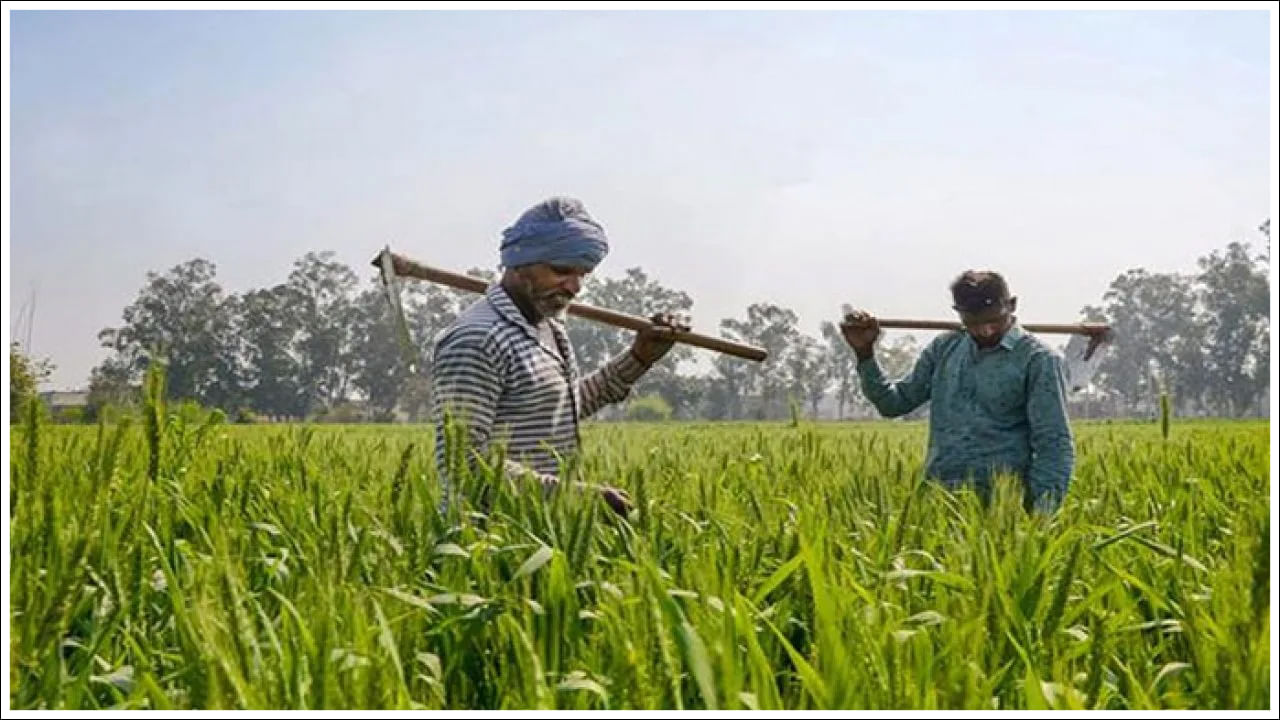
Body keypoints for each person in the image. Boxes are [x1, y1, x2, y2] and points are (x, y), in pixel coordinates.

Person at [427, 197, 687, 516]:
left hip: (542, 530)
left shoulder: (546, 325)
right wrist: (575, 496)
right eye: (562, 270)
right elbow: (463, 462)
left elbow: (562, 406)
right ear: (520, 263)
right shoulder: (477, 339)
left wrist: (639, 358)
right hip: (484, 541)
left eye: (583, 274)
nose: (575, 287)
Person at [840, 270, 1075, 512]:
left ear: (1012, 305)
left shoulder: (1038, 360)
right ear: (959, 315)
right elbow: (893, 404)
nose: (986, 331)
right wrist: (865, 353)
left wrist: (1040, 515)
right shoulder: (945, 349)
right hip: (938, 501)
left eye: (994, 321)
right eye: (973, 324)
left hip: (1002, 507)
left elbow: (1054, 444)